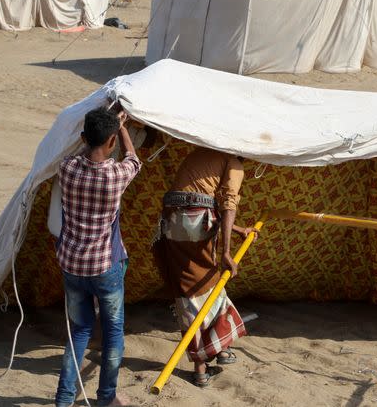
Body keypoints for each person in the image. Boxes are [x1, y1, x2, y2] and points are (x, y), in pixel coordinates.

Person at [55, 107, 141, 407]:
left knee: (79, 331)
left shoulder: (66, 169)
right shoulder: (116, 175)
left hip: (71, 263)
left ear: (83, 138)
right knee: (113, 332)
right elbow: (134, 160)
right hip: (104, 267)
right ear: (112, 142)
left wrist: (99, 133)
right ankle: (106, 397)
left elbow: (83, 151)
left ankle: (64, 399)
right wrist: (124, 129)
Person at [153, 147, 255, 387]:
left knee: (203, 284)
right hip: (193, 222)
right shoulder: (234, 162)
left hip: (172, 221)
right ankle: (200, 367)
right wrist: (227, 252)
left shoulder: (205, 154)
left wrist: (240, 231)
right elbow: (227, 206)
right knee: (196, 290)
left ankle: (219, 349)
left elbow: (195, 200)